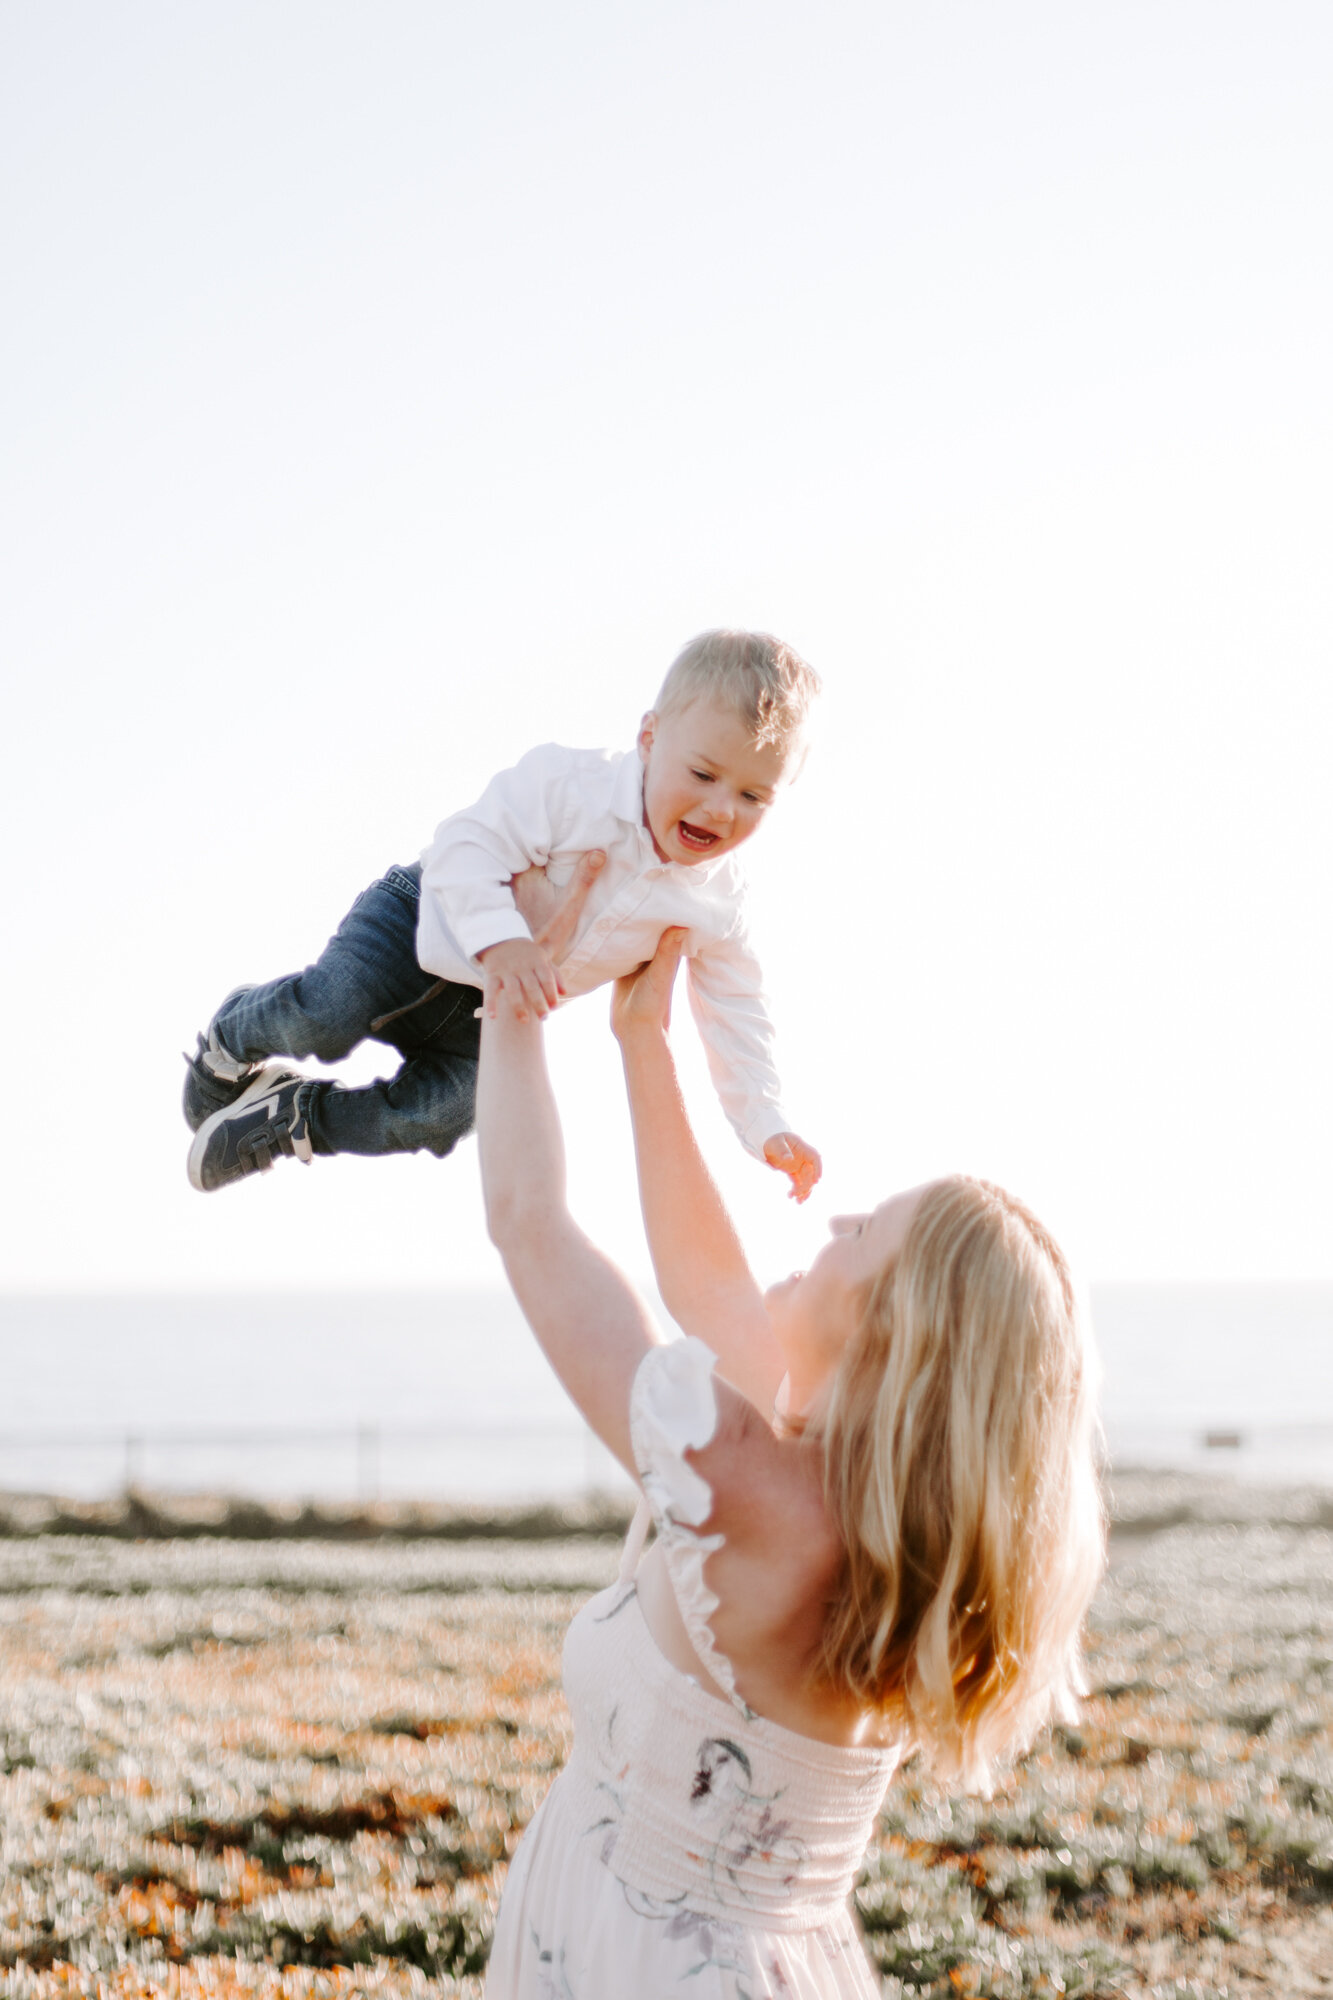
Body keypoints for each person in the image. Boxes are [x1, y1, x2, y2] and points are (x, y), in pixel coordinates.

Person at [474, 882, 1106, 1998]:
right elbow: (707, 1282)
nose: (832, 1221)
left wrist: (503, 984)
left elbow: (531, 1221)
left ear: (894, 1327)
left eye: (865, 1228)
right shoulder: (854, 1509)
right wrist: (640, 1042)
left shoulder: (756, 1492)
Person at [182, 629, 822, 1202]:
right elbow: (466, 845)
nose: (719, 808)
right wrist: (502, 940)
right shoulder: (573, 787)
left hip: (492, 1013)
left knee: (441, 1117)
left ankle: (296, 1117)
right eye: (704, 773)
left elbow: (737, 1014)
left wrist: (766, 1123)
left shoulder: (717, 903)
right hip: (417, 922)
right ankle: (228, 1043)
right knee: (331, 1009)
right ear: (650, 738)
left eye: (752, 794)